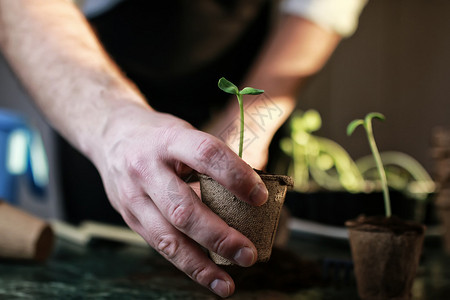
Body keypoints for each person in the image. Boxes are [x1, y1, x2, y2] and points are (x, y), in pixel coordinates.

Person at [0, 0, 367, 297]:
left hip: (252, 84)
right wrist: (114, 127)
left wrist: (249, 124)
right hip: (101, 100)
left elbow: (318, 10)